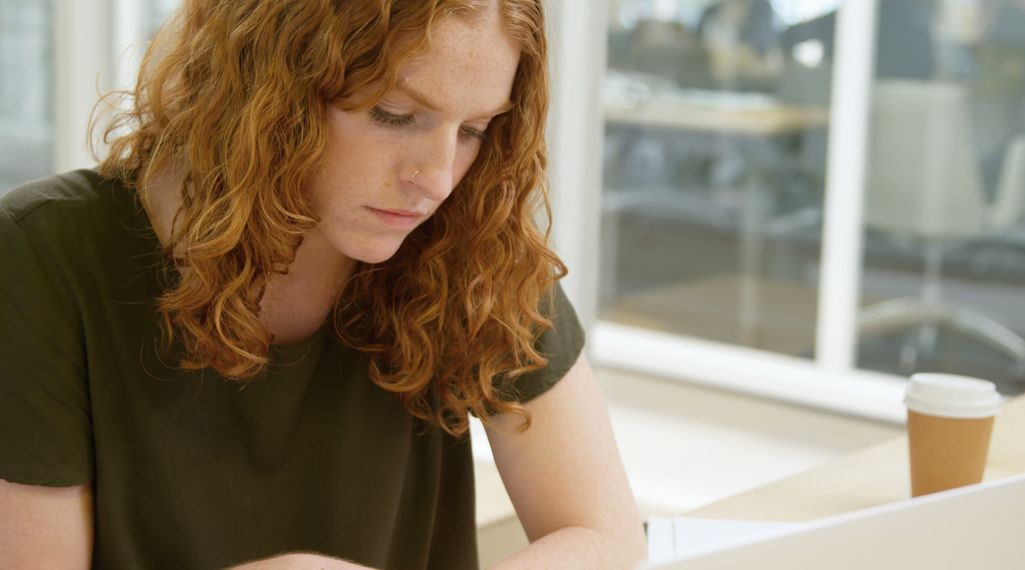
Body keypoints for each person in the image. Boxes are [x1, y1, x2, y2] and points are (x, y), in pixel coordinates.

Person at [0, 1, 646, 568]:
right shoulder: (40, 254)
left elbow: (603, 535)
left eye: (474, 130)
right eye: (394, 114)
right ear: (261, 84)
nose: (439, 179)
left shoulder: (470, 245)